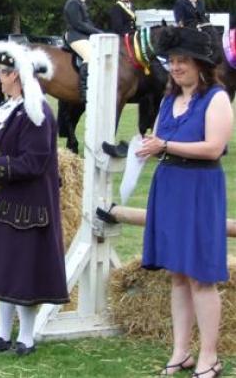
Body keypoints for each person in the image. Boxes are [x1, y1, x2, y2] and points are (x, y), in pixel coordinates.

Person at [0, 40, 68, 356]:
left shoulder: (37, 112)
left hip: (27, 205)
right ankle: (3, 333)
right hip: (3, 202)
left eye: (3, 73)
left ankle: (27, 338)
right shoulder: (9, 109)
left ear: (16, 76)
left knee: (23, 275)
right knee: (4, 270)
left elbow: (33, 162)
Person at [135, 26, 231, 378]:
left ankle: (209, 356)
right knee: (177, 275)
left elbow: (213, 148)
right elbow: (161, 138)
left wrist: (165, 146)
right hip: (170, 186)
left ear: (200, 64)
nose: (175, 67)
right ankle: (180, 352)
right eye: (172, 61)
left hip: (199, 190)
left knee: (201, 277)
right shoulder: (167, 100)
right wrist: (150, 146)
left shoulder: (216, 97)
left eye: (182, 61)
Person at [63, 0, 103, 102]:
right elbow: (78, 24)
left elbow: (87, 23)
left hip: (83, 36)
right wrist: (97, 31)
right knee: (90, 56)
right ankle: (84, 90)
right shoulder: (72, 3)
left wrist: (98, 32)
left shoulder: (79, 2)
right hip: (75, 36)